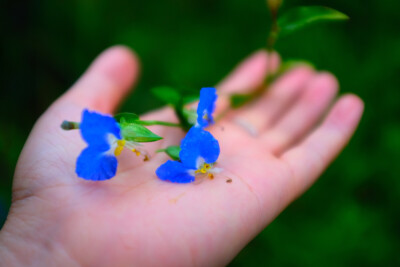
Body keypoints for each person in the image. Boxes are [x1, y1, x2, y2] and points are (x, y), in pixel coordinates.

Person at [0, 46, 363, 266]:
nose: (125, 145)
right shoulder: (111, 141)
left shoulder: (190, 149)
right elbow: (164, 163)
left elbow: (181, 158)